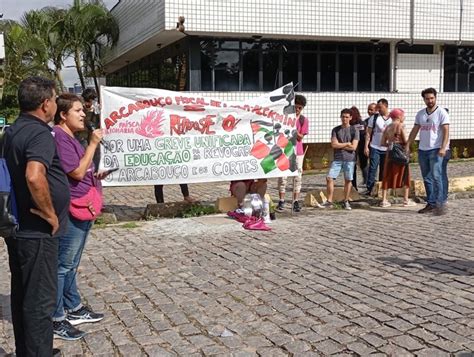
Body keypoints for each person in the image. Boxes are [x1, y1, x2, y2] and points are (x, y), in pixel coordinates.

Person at [4, 76, 70, 356]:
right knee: (40, 301)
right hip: (37, 231)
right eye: (55, 99)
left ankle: (29, 350)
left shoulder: (12, 131)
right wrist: (50, 214)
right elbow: (34, 175)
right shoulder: (39, 133)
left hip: (18, 229)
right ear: (46, 104)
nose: (55, 104)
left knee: (23, 297)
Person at [51, 94, 106, 340]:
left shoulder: (70, 137)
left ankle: (73, 307)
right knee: (62, 265)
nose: (83, 114)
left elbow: (83, 170)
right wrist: (93, 144)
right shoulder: (60, 138)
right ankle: (55, 317)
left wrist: (95, 174)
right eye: (77, 111)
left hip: (85, 205)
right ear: (63, 115)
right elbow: (75, 171)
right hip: (73, 207)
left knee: (71, 263)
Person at [407, 87, 450, 215]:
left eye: (432, 98)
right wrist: (409, 144)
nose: (430, 100)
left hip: (436, 149)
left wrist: (443, 147)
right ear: (424, 99)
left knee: (437, 176)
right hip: (423, 149)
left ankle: (440, 204)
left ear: (435, 98)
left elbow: (446, 131)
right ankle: (431, 203)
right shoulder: (420, 114)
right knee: (427, 177)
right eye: (427, 98)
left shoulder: (442, 112)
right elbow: (415, 130)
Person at [276, 94, 309, 212]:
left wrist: (293, 131)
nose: (297, 109)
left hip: (298, 151)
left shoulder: (303, 120)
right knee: (282, 176)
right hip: (285, 150)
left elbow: (301, 137)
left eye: (300, 108)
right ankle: (281, 201)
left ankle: (295, 201)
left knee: (297, 176)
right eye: (296, 107)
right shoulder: (285, 118)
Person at [322, 109, 359, 210]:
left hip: (350, 159)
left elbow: (354, 147)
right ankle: (329, 200)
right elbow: (334, 144)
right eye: (343, 117)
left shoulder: (354, 130)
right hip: (337, 158)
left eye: (347, 117)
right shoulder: (336, 130)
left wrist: (340, 145)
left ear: (350, 118)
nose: (345, 119)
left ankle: (346, 200)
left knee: (348, 179)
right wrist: (347, 143)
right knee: (329, 178)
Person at [379, 108, 415, 207]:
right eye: (403, 115)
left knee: (386, 175)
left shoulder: (387, 127)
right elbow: (405, 140)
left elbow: (382, 142)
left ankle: (384, 200)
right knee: (405, 175)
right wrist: (407, 148)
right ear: (399, 116)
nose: (404, 117)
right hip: (400, 153)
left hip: (389, 153)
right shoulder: (401, 126)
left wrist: (391, 145)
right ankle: (406, 200)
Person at [363, 98, 392, 196]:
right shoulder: (374, 118)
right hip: (375, 146)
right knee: (373, 167)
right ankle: (370, 188)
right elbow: (368, 133)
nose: (378, 109)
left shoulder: (392, 118)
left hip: (387, 148)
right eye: (378, 107)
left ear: (386, 106)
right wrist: (366, 146)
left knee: (384, 168)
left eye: (380, 107)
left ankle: (381, 188)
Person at [349, 106, 364, 191]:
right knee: (352, 167)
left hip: (359, 145)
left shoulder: (360, 122)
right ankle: (353, 185)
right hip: (352, 147)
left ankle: (364, 182)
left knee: (362, 165)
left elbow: (362, 130)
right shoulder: (350, 124)